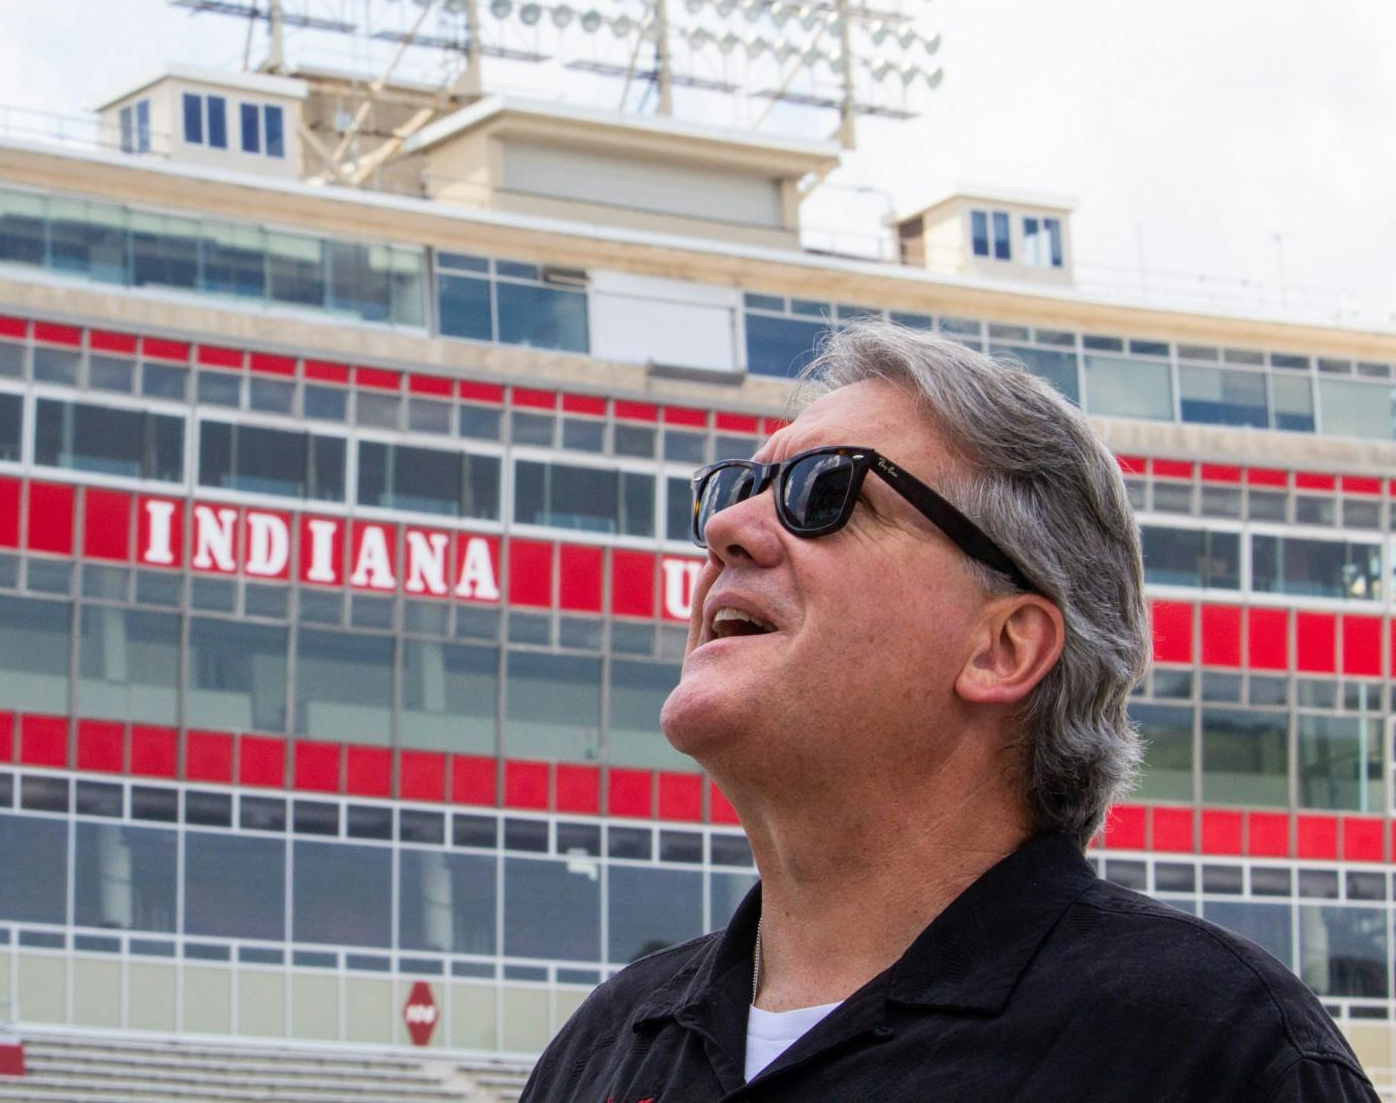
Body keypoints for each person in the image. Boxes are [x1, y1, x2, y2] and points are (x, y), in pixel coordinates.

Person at [520, 320, 1375, 1102]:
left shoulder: (1213, 1049)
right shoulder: (607, 1043)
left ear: (1002, 648)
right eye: (736, 487)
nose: (727, 530)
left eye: (825, 490)